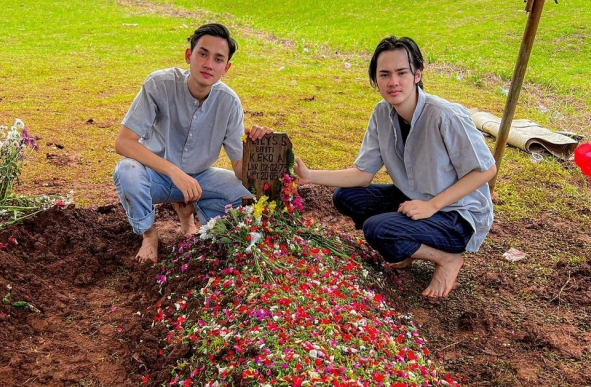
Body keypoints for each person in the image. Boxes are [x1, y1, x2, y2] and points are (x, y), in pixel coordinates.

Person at [295, 36, 496, 299]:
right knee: (346, 196)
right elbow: (363, 174)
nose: (393, 82)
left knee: (377, 229)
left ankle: (448, 258)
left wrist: (432, 205)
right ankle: (406, 248)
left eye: (402, 72)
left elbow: (485, 170)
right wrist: (309, 176)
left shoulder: (444, 115)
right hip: (415, 197)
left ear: (417, 74)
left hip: (456, 214)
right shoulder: (382, 114)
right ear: (375, 79)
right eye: (384, 74)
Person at [114, 22, 271, 262]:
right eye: (203, 54)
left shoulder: (229, 103)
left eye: (218, 59)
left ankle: (190, 216)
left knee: (244, 197)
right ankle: (149, 234)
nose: (209, 65)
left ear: (226, 68)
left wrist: (258, 148)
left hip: (199, 179)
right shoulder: (159, 84)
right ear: (189, 55)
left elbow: (240, 169)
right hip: (155, 175)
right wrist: (174, 172)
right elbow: (123, 143)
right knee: (127, 171)